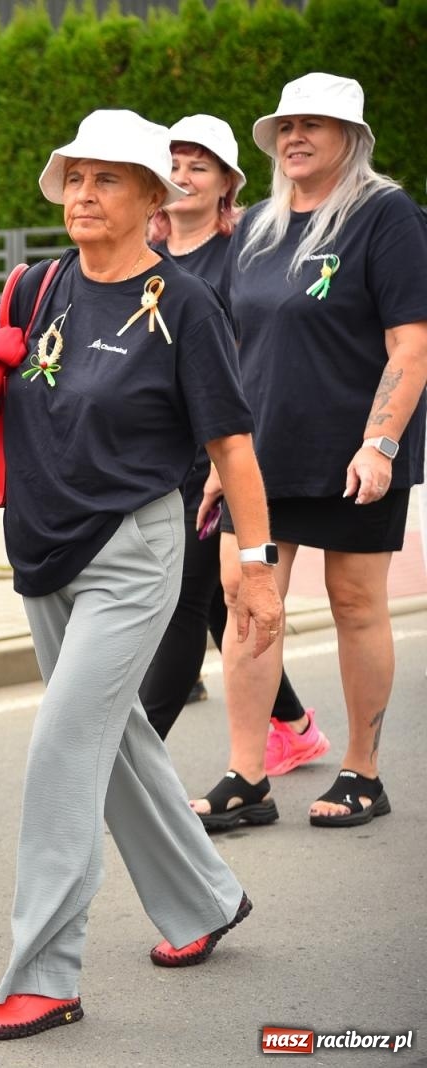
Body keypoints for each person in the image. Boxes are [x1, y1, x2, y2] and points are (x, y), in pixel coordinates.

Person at [0, 109, 282, 1040]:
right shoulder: (39, 286)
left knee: (64, 748)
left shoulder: (185, 306)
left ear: (153, 197)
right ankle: (204, 899)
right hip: (41, 543)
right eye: (74, 177)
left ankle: (44, 974)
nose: (82, 193)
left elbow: (232, 447)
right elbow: (10, 398)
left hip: (133, 550)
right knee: (114, 742)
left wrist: (256, 565)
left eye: (106, 179)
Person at [195, 73, 427, 830]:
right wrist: (219, 460)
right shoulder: (257, 228)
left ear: (350, 138)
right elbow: (234, 347)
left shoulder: (385, 216)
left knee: (355, 602)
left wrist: (380, 444)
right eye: (285, 126)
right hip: (261, 453)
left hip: (355, 452)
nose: (294, 137)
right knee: (245, 598)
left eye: (313, 125)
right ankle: (247, 776)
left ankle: (363, 770)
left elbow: (411, 343)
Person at [138, 116, 320, 757]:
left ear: (226, 185)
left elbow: (257, 351)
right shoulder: (145, 258)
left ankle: (126, 762)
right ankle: (295, 728)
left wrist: (229, 453)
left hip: (220, 451)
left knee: (184, 602)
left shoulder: (246, 254)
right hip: (159, 452)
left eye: (199, 167)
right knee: (222, 598)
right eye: (174, 166)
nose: (184, 178)